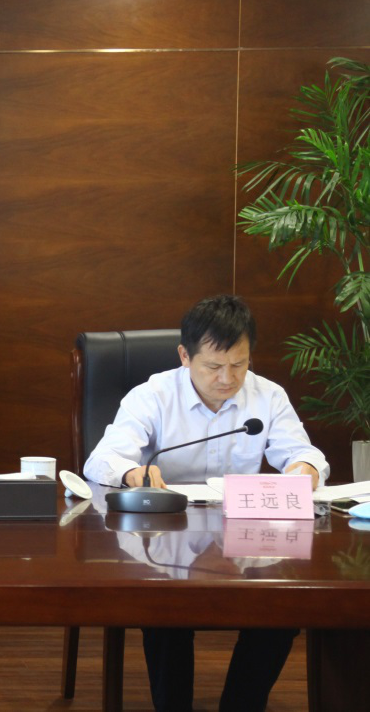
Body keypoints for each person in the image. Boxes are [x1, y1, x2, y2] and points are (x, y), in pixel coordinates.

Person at [83, 294, 328, 712]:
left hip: (245, 537)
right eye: (214, 366)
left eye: (239, 364)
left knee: (282, 612)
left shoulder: (268, 397)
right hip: (165, 538)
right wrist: (131, 472)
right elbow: (102, 459)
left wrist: (304, 469)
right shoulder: (154, 395)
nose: (227, 379)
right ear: (185, 356)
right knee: (166, 615)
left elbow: (303, 454)